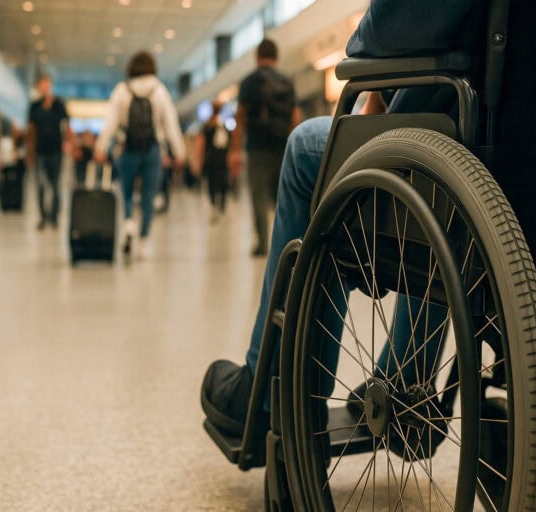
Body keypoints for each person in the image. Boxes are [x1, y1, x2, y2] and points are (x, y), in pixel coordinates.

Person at [202, 0, 483, 446]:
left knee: (307, 151)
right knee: (453, 196)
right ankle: (407, 386)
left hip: (445, 148)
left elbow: (387, 32)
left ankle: (273, 390)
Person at [94, 51, 186, 261]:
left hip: (128, 147)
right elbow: (170, 124)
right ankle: (144, 240)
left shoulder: (122, 90)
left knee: (126, 190)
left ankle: (128, 223)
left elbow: (110, 122)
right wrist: (179, 152)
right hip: (153, 150)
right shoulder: (159, 90)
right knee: (148, 196)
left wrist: (100, 148)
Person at [228, 38, 299, 257]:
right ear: (276, 57)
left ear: (257, 56)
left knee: (258, 197)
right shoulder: (287, 82)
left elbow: (240, 118)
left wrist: (235, 150)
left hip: (257, 147)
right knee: (282, 198)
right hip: (282, 147)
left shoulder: (249, 82)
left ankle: (261, 244)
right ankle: (286, 243)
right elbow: (295, 117)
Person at [27, 74, 74, 230]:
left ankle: (54, 217)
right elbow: (32, 130)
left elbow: (66, 125)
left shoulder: (59, 104)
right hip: (40, 151)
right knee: (40, 185)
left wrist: (69, 143)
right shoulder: (35, 106)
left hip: (55, 150)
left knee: (55, 184)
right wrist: (30, 152)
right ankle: (42, 216)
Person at [193, 100, 230, 223]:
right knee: (214, 184)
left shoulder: (222, 124)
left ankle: (219, 206)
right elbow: (201, 144)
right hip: (214, 161)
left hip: (219, 160)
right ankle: (216, 206)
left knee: (221, 183)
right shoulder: (209, 126)